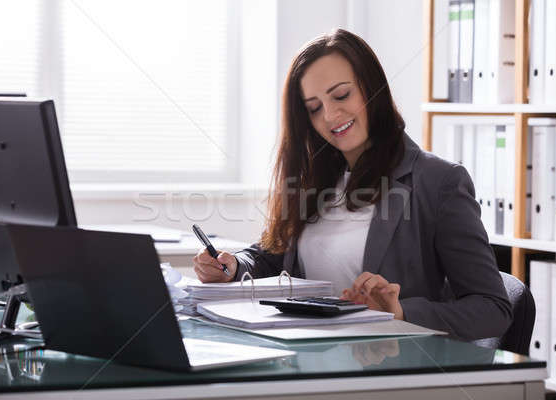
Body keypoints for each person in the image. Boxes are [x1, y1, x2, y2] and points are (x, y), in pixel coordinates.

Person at [192, 28, 512, 341]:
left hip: (387, 367)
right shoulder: (314, 179)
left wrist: (400, 313)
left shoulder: (438, 181)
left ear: (372, 87)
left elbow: (492, 309)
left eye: (342, 95)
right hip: (308, 359)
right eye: (314, 108)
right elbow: (272, 256)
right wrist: (232, 266)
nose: (330, 115)